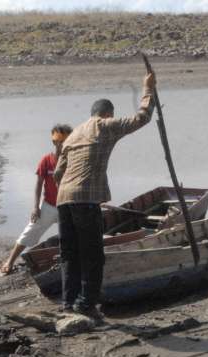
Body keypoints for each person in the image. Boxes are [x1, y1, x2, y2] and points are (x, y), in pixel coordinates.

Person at [53, 72, 155, 319]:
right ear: (108, 114)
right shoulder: (105, 126)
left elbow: (57, 173)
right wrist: (148, 89)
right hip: (85, 200)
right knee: (92, 255)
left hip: (64, 200)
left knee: (70, 253)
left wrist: (70, 189)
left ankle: (68, 302)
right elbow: (142, 118)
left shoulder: (74, 134)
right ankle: (86, 305)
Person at [0, 123, 72, 275]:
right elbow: (38, 184)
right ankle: (10, 261)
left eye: (66, 142)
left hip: (68, 207)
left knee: (76, 234)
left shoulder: (73, 161)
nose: (62, 145)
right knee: (30, 231)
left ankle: (73, 261)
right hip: (49, 206)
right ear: (54, 142)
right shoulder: (46, 160)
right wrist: (36, 207)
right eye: (59, 142)